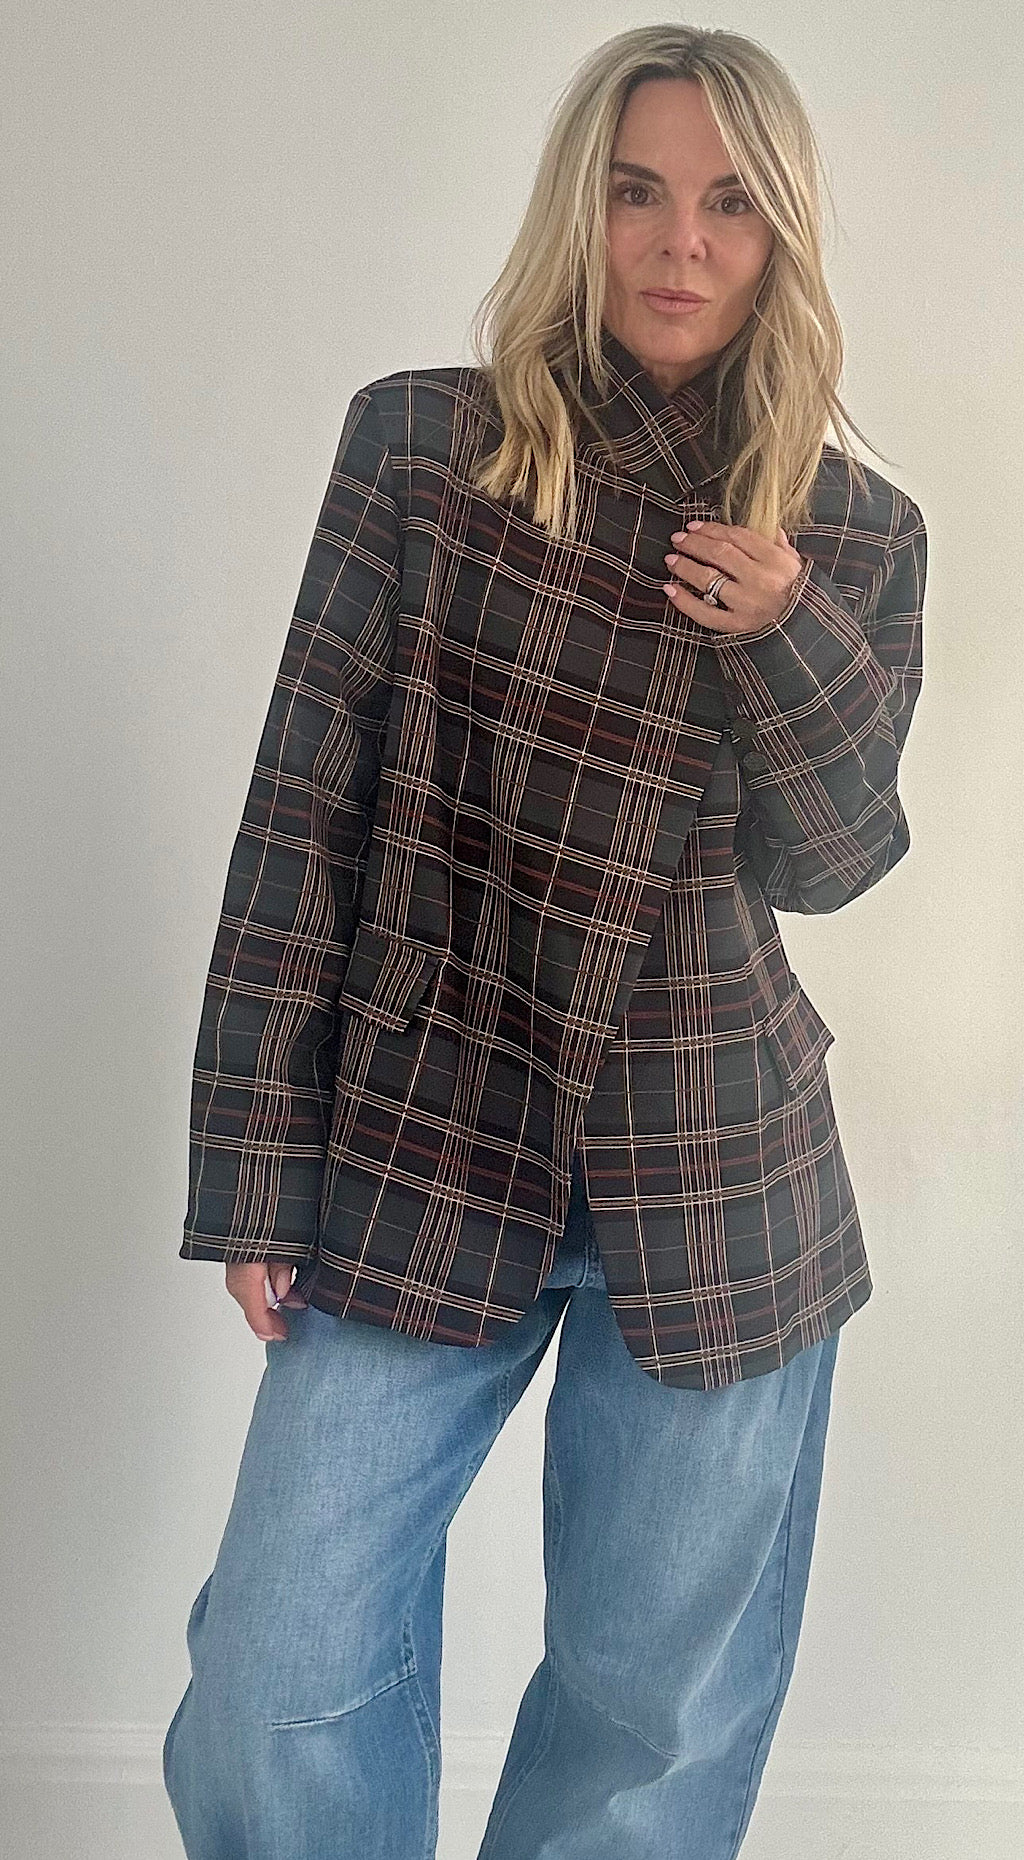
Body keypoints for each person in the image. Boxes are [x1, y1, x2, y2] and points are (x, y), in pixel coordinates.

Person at [162, 22, 927, 1860]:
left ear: (783, 233)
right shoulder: (426, 445)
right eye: (637, 193)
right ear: (580, 210)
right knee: (273, 1672)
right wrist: (257, 1166)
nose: (681, 244)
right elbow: (306, 806)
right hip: (425, 1135)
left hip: (717, 1170)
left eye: (730, 204)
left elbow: (834, 863)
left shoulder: (850, 529)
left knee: (652, 1725)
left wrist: (787, 635)